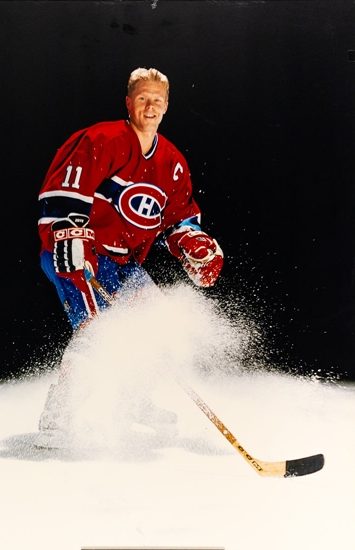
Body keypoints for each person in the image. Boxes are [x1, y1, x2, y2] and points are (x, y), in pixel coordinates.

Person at [35, 67, 223, 449]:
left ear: (167, 105)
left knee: (160, 327)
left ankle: (133, 401)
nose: (150, 106)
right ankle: (60, 414)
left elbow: (178, 218)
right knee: (97, 332)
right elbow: (62, 197)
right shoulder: (100, 139)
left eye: (157, 99)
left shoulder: (172, 162)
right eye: (142, 98)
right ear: (129, 102)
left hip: (125, 265)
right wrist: (67, 236)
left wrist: (193, 243)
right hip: (79, 254)